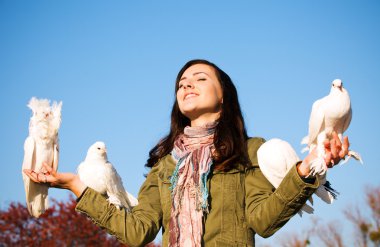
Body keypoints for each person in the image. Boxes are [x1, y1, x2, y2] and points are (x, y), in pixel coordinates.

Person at [24, 59, 349, 247]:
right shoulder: (165, 166)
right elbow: (137, 233)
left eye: (200, 78)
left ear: (224, 97)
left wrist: (306, 171)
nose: (186, 85)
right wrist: (75, 186)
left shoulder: (250, 152)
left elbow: (263, 221)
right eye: (181, 82)